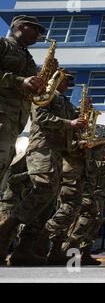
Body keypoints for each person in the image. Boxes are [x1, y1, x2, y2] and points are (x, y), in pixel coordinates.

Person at [0, 72, 85, 266]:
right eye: (65, 79)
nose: (69, 83)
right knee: (44, 188)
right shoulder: (45, 94)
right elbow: (40, 117)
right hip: (42, 148)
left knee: (48, 198)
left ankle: (25, 248)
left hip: (56, 151)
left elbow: (76, 122)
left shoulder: (64, 101)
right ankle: (8, 226)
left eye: (70, 80)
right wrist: (69, 123)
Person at [0, 15, 45, 184]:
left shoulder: (29, 59)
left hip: (15, 121)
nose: (38, 34)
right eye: (35, 28)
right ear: (20, 26)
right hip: (2, 112)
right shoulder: (3, 44)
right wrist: (20, 81)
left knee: (3, 164)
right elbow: (19, 82)